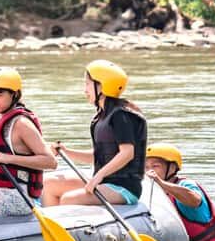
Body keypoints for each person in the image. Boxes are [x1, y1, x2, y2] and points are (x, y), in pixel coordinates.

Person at [41, 60, 147, 207]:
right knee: (48, 184)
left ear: (101, 86)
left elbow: (127, 153)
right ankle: (51, 227)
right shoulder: (100, 117)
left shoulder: (121, 116)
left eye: (87, 84)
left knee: (69, 199)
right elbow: (98, 156)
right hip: (105, 182)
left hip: (124, 187)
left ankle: (69, 228)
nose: (85, 90)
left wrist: (99, 176)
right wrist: (67, 152)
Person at [0, 67, 56, 216]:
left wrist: (7, 158)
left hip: (15, 197)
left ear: (14, 94)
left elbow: (50, 161)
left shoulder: (21, 123)